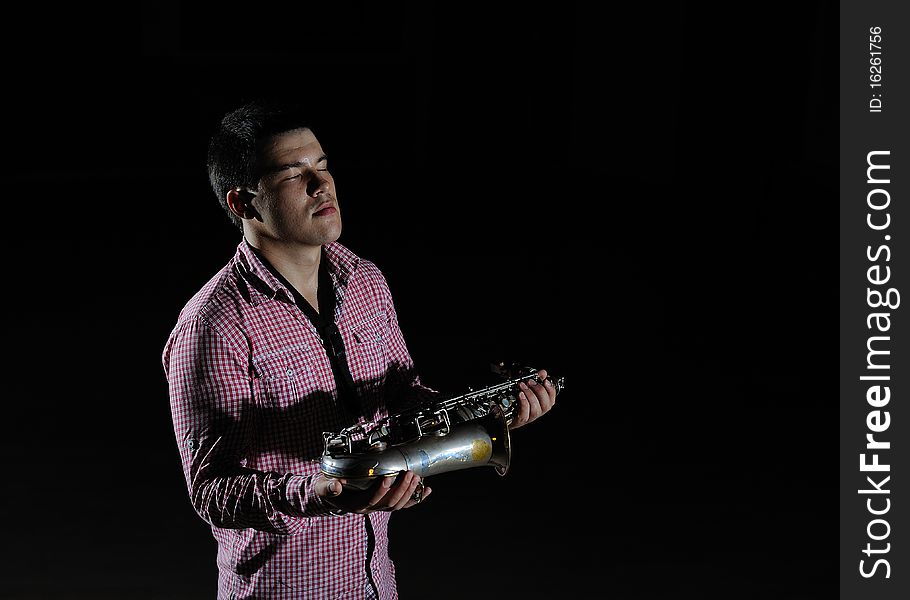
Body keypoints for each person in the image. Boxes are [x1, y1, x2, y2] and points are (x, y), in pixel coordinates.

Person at [161, 99, 558, 599]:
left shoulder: (366, 281)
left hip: (375, 582)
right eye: (294, 174)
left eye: (323, 166)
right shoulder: (213, 322)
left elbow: (404, 397)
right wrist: (319, 494)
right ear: (244, 204)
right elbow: (212, 490)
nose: (321, 184)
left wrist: (490, 414)